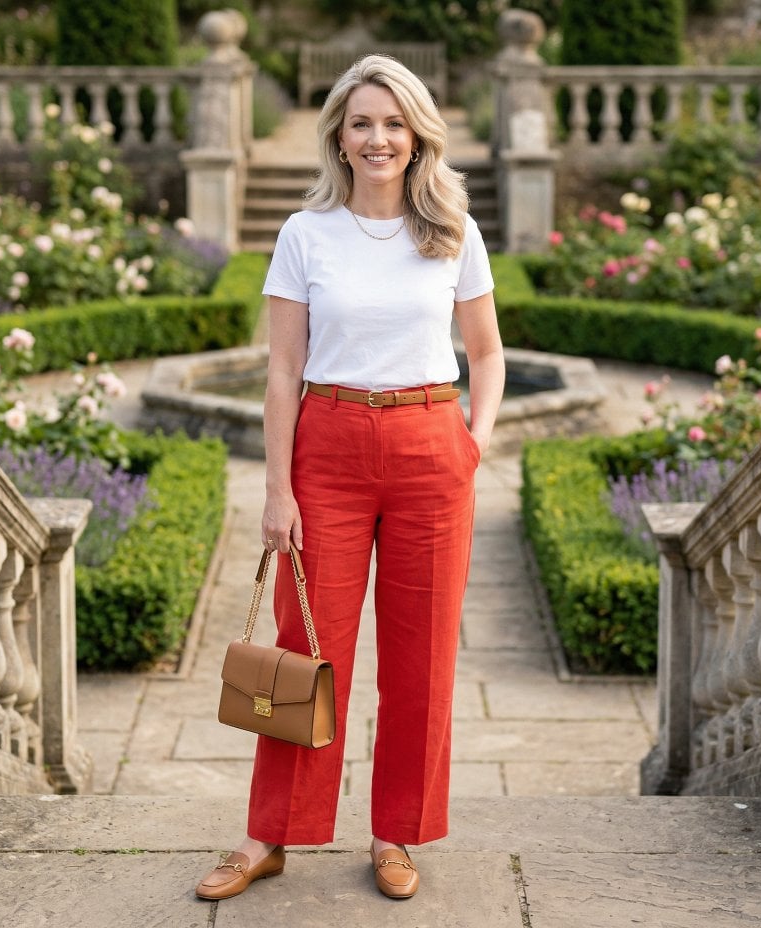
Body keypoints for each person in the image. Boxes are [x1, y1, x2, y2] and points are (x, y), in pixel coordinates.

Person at [195, 53, 505, 903]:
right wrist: (277, 490)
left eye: (394, 123)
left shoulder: (451, 230)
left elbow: (485, 353)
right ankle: (271, 836)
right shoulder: (305, 234)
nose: (378, 138)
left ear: (417, 137)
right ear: (339, 133)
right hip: (326, 449)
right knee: (307, 652)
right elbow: (281, 371)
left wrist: (473, 439)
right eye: (362, 122)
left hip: (430, 448)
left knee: (423, 655)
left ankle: (395, 833)